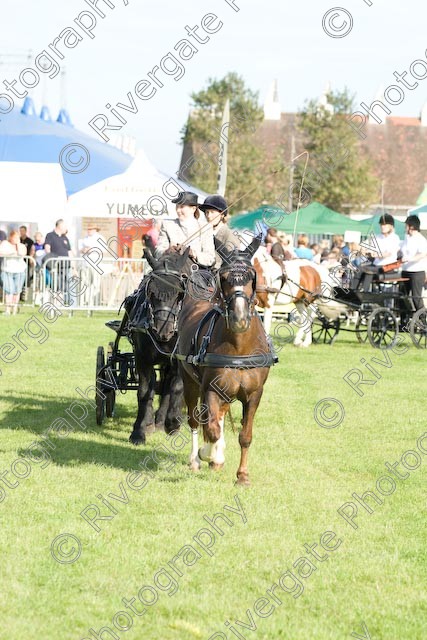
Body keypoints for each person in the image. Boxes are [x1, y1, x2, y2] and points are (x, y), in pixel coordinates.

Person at [155, 191, 216, 268]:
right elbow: (157, 251)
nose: (178, 210)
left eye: (182, 207)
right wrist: (166, 251)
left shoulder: (205, 227)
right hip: (171, 269)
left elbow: (210, 258)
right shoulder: (167, 225)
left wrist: (193, 253)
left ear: (193, 209)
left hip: (195, 271)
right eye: (177, 206)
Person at [354, 214, 401, 292]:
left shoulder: (395, 238)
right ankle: (353, 291)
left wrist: (377, 254)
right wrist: (364, 250)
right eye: (381, 225)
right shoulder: (377, 237)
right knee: (359, 268)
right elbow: (367, 247)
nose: (382, 227)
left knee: (368, 270)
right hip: (376, 266)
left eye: (385, 225)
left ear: (391, 226)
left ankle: (363, 293)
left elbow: (388, 253)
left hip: (388, 267)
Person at [199, 194, 239, 269]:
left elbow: (231, 261)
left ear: (222, 215)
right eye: (207, 212)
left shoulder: (230, 235)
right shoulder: (203, 232)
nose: (208, 216)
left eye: (212, 212)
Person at [399, 214, 427, 312]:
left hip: (417, 272)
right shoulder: (407, 238)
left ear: (411, 226)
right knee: (402, 297)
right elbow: (401, 250)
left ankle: (423, 321)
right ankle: (404, 323)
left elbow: (423, 254)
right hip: (405, 270)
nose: (404, 228)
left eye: (406, 225)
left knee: (416, 298)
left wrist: (409, 259)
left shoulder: (421, 239)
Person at [44, 219, 73, 304]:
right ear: (59, 226)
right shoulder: (50, 235)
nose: (66, 228)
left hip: (66, 265)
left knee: (67, 284)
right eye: (64, 226)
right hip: (56, 265)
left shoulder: (65, 237)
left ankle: (67, 303)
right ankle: (57, 303)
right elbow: (47, 248)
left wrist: (73, 265)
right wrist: (50, 261)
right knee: (57, 284)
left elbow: (69, 251)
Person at [0, 230, 27, 314]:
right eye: (14, 237)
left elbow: (22, 253)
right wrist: (11, 253)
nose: (16, 239)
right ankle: (8, 309)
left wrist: (18, 244)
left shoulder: (21, 245)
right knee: (9, 290)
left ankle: (14, 309)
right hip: (7, 271)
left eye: (17, 237)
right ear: (10, 237)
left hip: (19, 271)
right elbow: (1, 252)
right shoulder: (5, 243)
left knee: (17, 291)